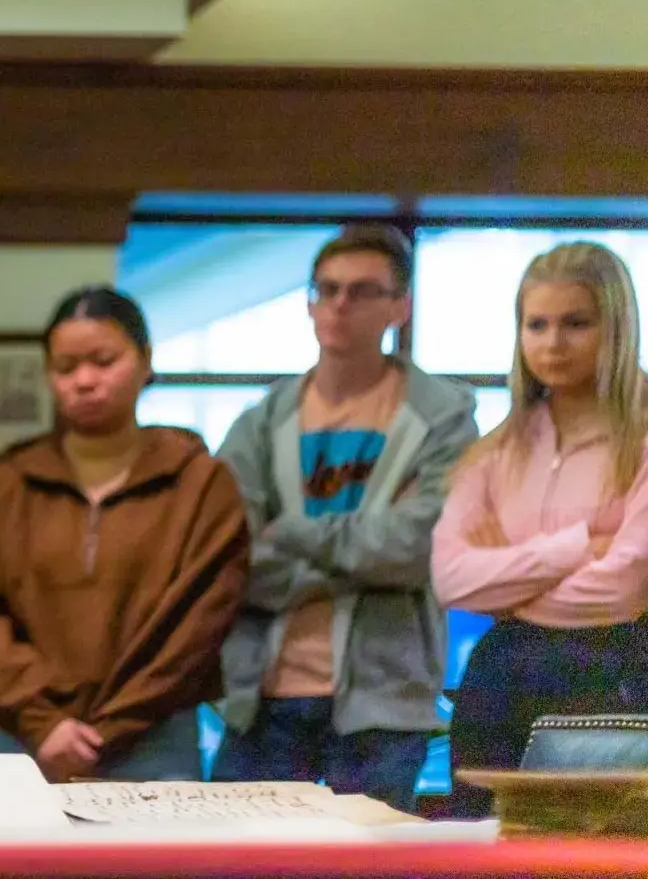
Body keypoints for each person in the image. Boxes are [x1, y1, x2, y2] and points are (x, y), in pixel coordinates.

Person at [213, 224, 478, 813]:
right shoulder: (260, 423)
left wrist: (294, 534)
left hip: (383, 704)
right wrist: (364, 551)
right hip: (262, 699)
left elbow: (418, 547)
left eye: (361, 291)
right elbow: (229, 556)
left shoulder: (441, 418)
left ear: (399, 306)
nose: (338, 304)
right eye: (326, 289)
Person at [0, 286, 250, 783]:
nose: (85, 381)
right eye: (65, 368)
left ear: (145, 359)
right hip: (27, 738)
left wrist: (108, 730)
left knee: (154, 865)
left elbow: (198, 624)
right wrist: (43, 722)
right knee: (15, 865)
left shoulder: (199, 481)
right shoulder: (10, 482)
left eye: (104, 360)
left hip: (154, 740)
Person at [432, 241, 648, 818]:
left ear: (617, 327)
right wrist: (577, 546)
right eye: (537, 324)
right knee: (483, 843)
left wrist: (512, 580)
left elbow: (622, 587)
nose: (553, 343)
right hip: (500, 679)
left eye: (576, 323)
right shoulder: (496, 449)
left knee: (600, 850)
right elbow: (452, 580)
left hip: (617, 675)